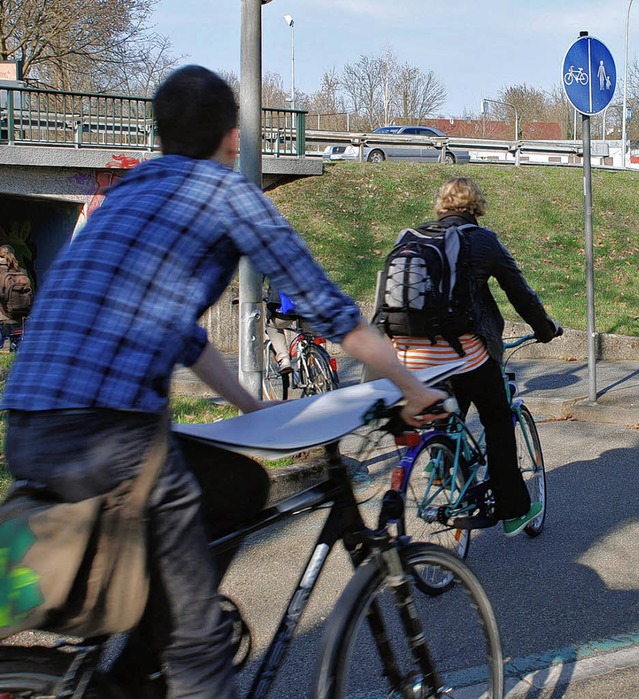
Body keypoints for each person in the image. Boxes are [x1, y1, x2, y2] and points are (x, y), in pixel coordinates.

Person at [0, 66, 445, 699]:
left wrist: (250, 406)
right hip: (110, 434)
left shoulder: (129, 192)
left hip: (29, 422)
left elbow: (182, 334)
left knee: (236, 484)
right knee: (199, 645)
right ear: (232, 137)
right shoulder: (227, 194)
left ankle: (134, 673)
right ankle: (184, 656)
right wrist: (414, 386)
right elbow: (330, 309)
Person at [389, 176, 560, 538]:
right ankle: (514, 510)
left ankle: (440, 458)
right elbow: (519, 292)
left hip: (409, 355)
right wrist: (545, 328)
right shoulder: (482, 240)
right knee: (497, 418)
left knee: (449, 410)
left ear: (442, 205)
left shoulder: (415, 239)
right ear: (476, 206)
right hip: (461, 352)